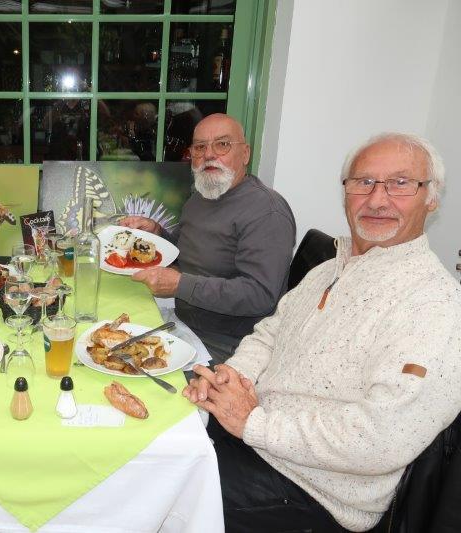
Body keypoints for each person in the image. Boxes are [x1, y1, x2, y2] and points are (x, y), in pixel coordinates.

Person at [183, 132, 461, 532]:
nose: (377, 199)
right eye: (364, 182)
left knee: (153, 487)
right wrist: (234, 375)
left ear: (431, 198)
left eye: (400, 183)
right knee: (143, 434)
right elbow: (270, 334)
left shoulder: (434, 303)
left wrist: (253, 422)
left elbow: (381, 439)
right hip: (257, 437)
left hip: (312, 491)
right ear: (346, 191)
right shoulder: (329, 268)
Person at [121, 113, 295, 362]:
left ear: (245, 154)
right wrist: (157, 233)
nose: (209, 155)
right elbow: (185, 252)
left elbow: (260, 295)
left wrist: (180, 285)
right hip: (183, 320)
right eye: (200, 147)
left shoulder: (266, 211)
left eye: (222, 144)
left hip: (227, 346)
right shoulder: (202, 197)